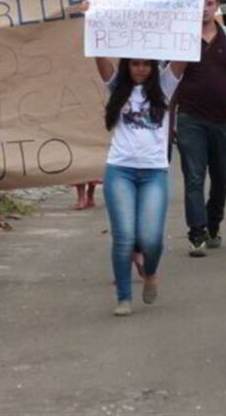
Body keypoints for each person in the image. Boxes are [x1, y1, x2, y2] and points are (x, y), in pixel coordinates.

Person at [91, 49, 186, 316]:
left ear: (154, 66)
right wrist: (92, 21)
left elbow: (183, 57)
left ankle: (151, 271)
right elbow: (99, 58)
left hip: (154, 172)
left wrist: (192, 15)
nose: (141, 69)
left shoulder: (165, 86)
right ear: (127, 65)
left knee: (151, 238)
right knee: (124, 237)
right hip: (120, 170)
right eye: (135, 64)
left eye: (146, 64)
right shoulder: (117, 87)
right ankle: (123, 297)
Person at [174, 0, 226, 256]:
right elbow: (170, 81)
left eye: (209, 3)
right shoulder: (181, 37)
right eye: (199, 3)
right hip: (190, 118)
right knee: (194, 177)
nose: (204, 8)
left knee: (222, 178)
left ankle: (213, 224)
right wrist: (168, 119)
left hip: (224, 120)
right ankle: (196, 233)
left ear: (216, 6)